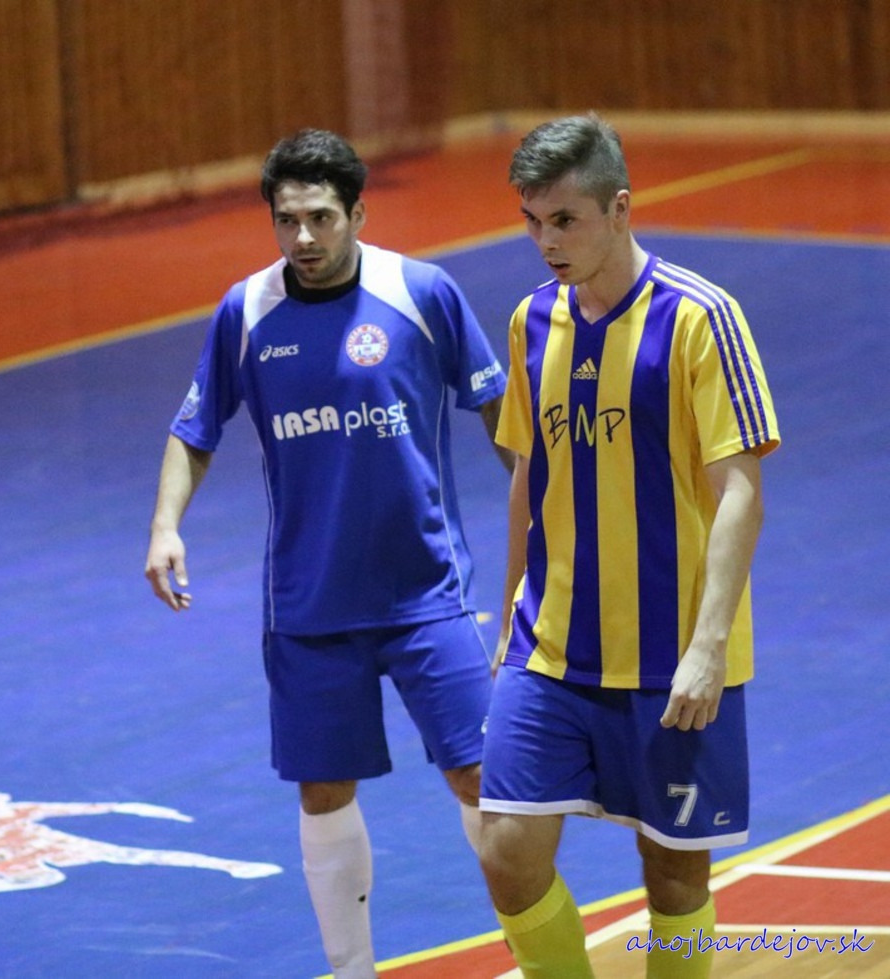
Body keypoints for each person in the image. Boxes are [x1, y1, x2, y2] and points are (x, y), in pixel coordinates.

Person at [144, 128, 510, 978]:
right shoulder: (246, 312)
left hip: (428, 594)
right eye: (287, 221)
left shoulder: (421, 293)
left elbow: (500, 411)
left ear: (358, 214)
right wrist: (165, 524)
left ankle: (539, 953)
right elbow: (194, 428)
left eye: (320, 218)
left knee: (482, 779)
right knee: (323, 790)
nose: (303, 237)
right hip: (310, 605)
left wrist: (553, 512)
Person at [477, 114, 781, 978]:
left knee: (674, 873)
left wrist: (709, 647)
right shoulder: (532, 321)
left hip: (671, 654)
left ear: (619, 208)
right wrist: (508, 615)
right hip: (549, 646)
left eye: (564, 220)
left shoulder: (700, 317)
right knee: (507, 848)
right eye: (532, 221)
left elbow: (741, 491)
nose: (546, 242)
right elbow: (527, 477)